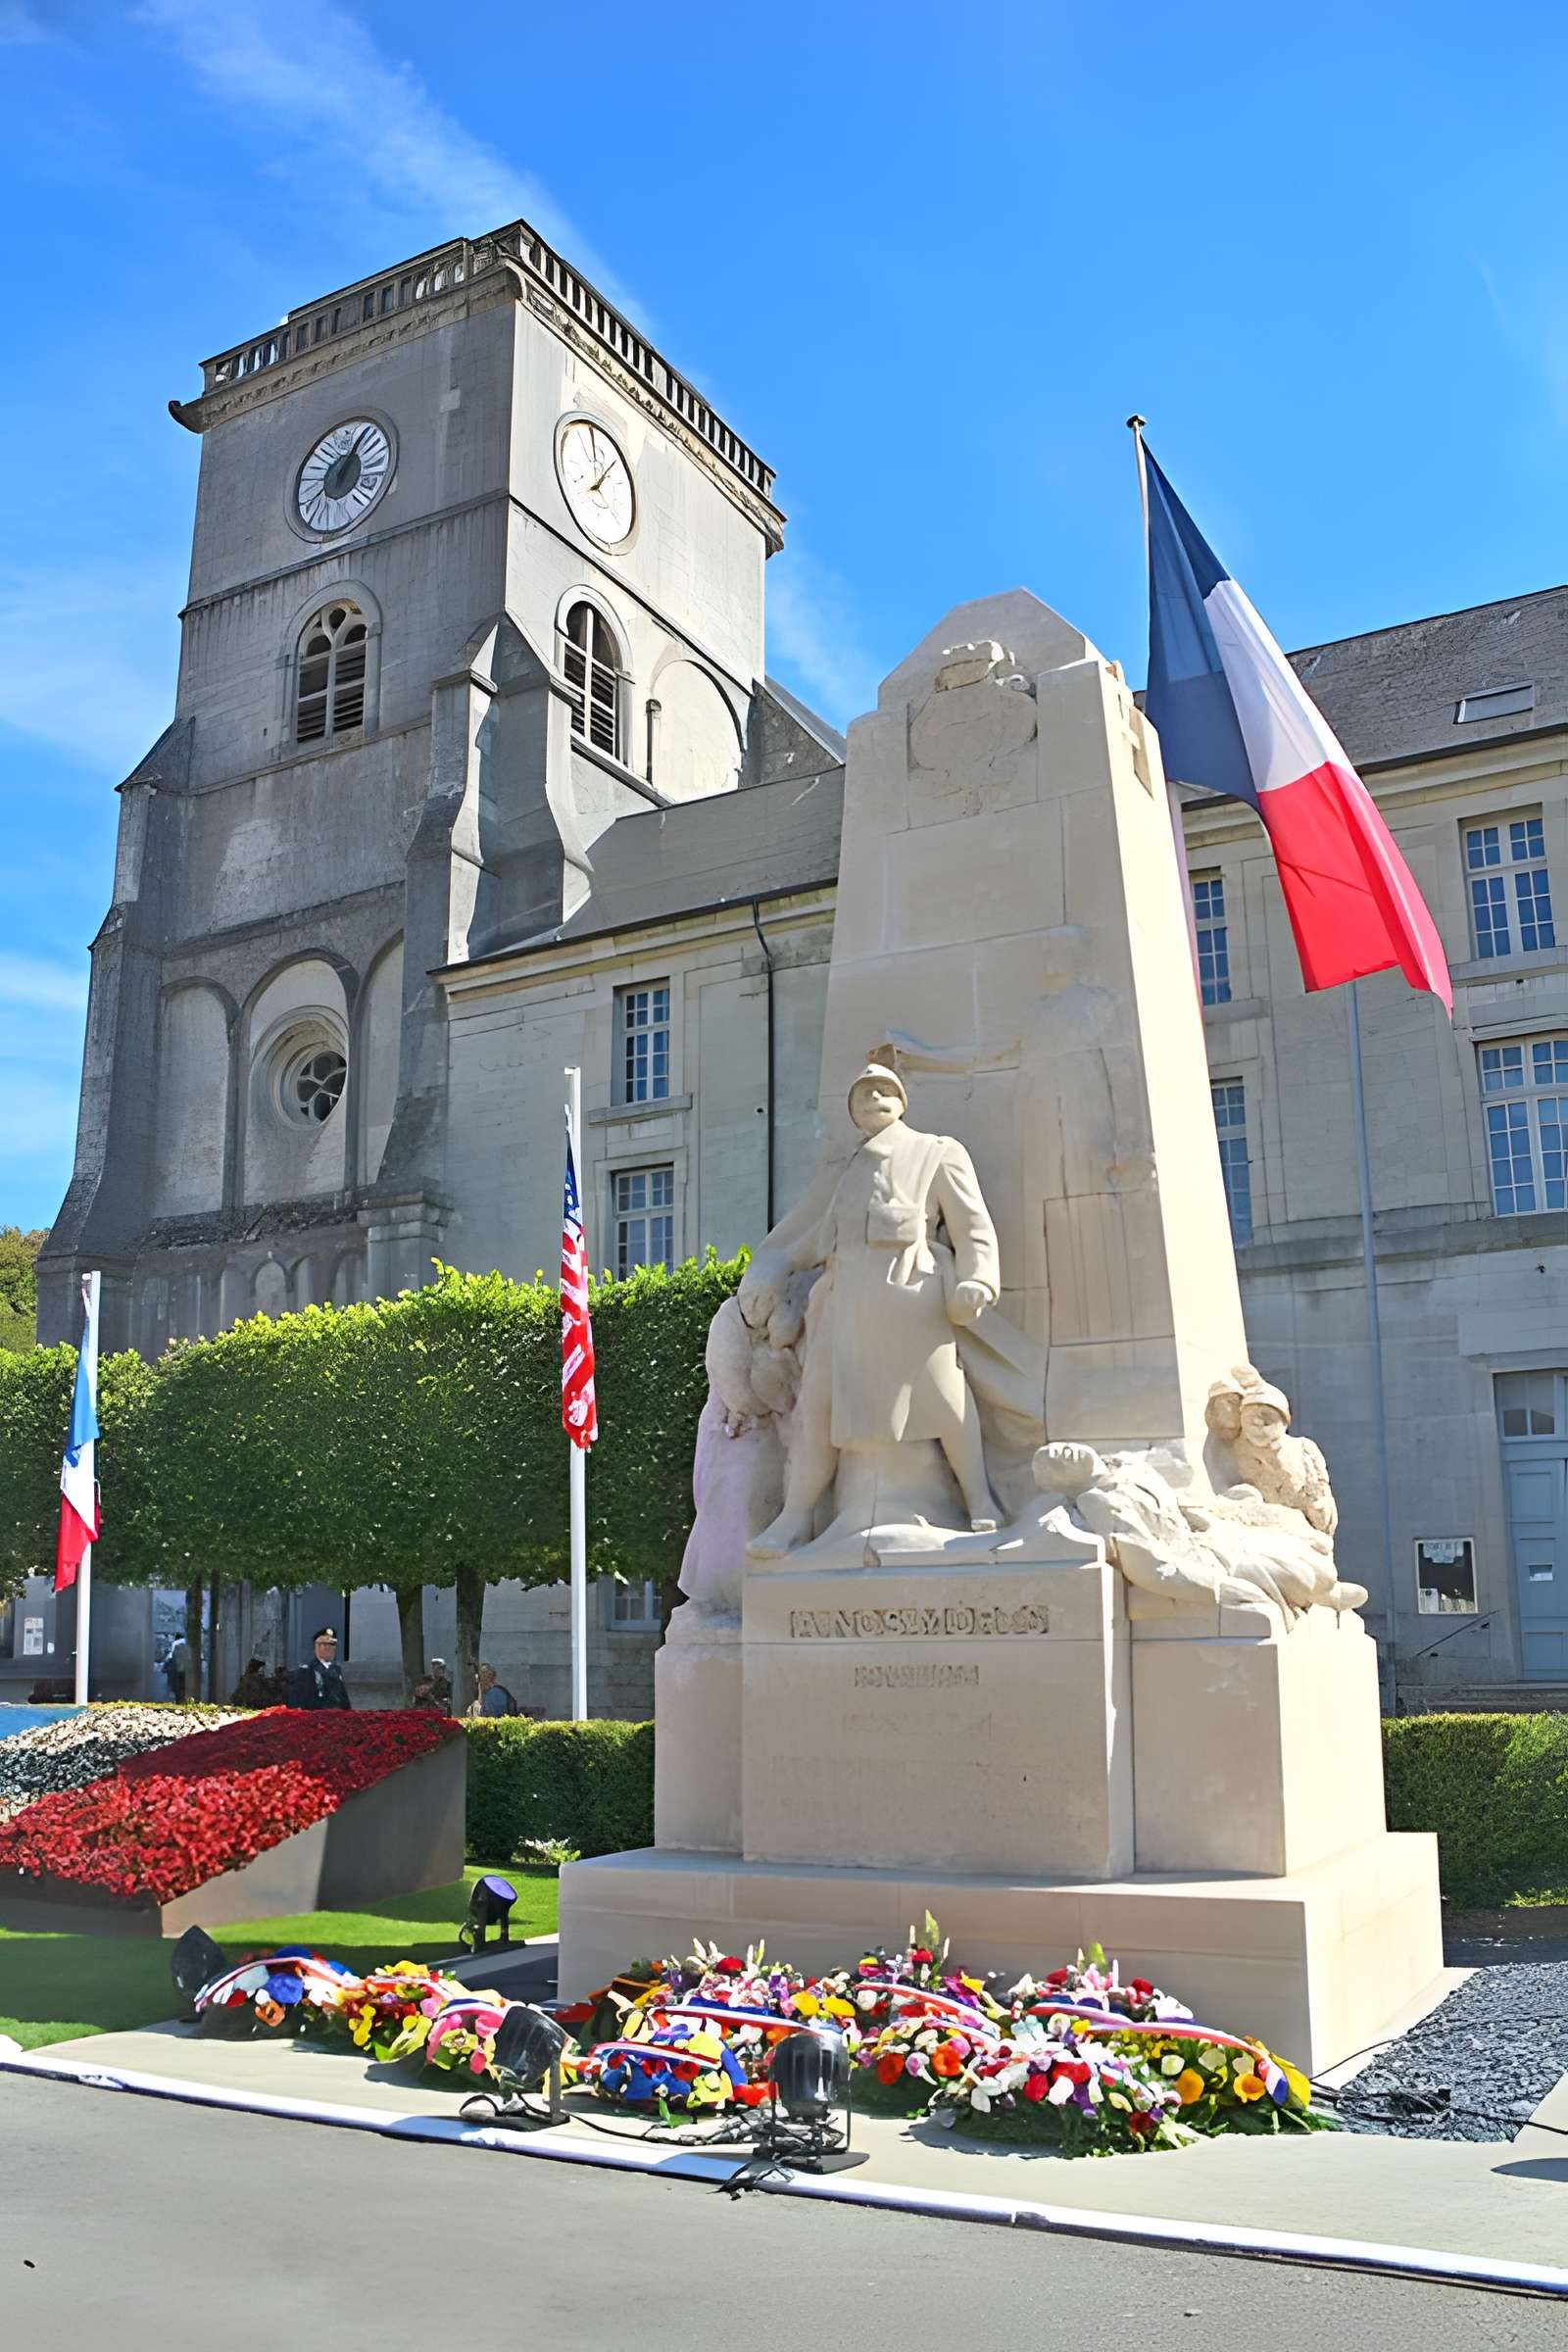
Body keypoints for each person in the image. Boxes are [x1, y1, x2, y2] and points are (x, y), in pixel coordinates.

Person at [287, 1626, 352, 1710]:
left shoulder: (336, 1669)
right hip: (318, 1716)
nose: (330, 1648)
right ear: (316, 1647)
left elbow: (343, 1698)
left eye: (332, 1645)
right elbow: (301, 1701)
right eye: (325, 1645)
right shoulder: (307, 1671)